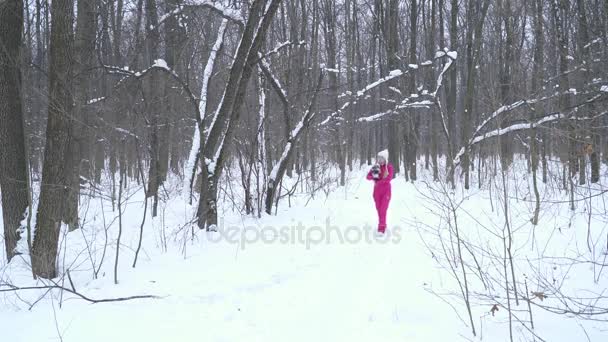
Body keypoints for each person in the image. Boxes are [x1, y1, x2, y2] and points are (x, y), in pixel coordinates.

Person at [366, 149, 394, 234]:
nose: (380, 160)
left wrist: (378, 181)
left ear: (385, 159)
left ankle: (381, 228)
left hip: (386, 192)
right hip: (376, 192)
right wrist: (373, 174)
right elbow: (368, 177)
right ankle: (382, 225)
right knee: (379, 209)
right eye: (379, 158)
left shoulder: (389, 167)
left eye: (382, 158)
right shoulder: (376, 167)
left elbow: (388, 179)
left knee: (383, 209)